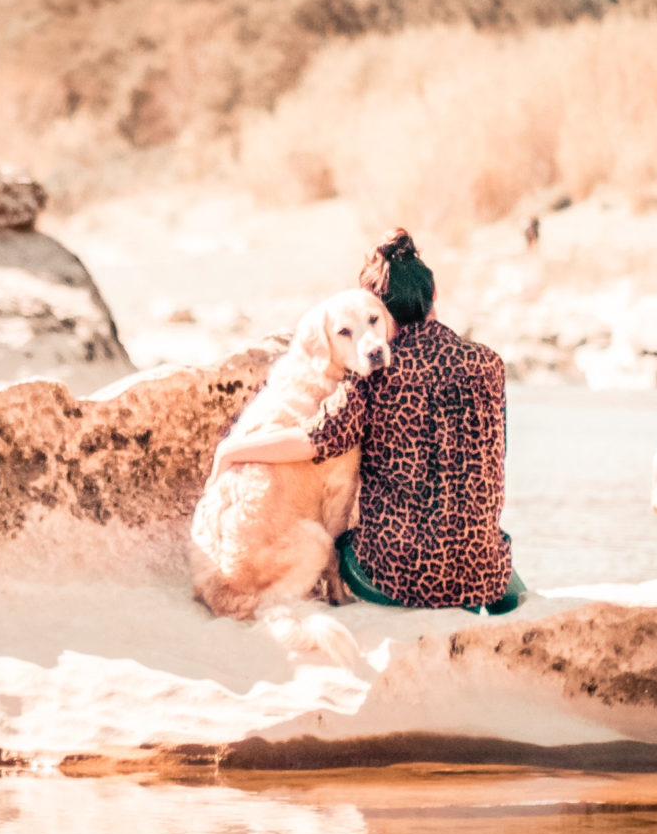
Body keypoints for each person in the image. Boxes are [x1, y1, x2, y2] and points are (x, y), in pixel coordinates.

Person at [215, 229, 525, 615]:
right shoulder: (488, 363)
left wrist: (231, 450)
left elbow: (314, 440)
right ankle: (483, 584)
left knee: (344, 544)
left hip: (392, 579)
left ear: (379, 311)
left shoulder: (370, 375)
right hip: (481, 572)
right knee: (490, 549)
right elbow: (499, 451)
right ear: (434, 297)